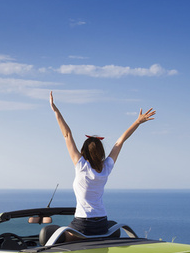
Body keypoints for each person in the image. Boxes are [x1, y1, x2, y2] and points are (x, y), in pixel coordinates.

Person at [50, 91, 156, 236]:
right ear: (101, 152)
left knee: (57, 239)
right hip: (102, 222)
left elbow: (67, 134)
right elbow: (120, 142)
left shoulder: (81, 166)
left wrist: (55, 110)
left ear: (84, 151)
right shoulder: (106, 168)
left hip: (83, 223)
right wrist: (137, 122)